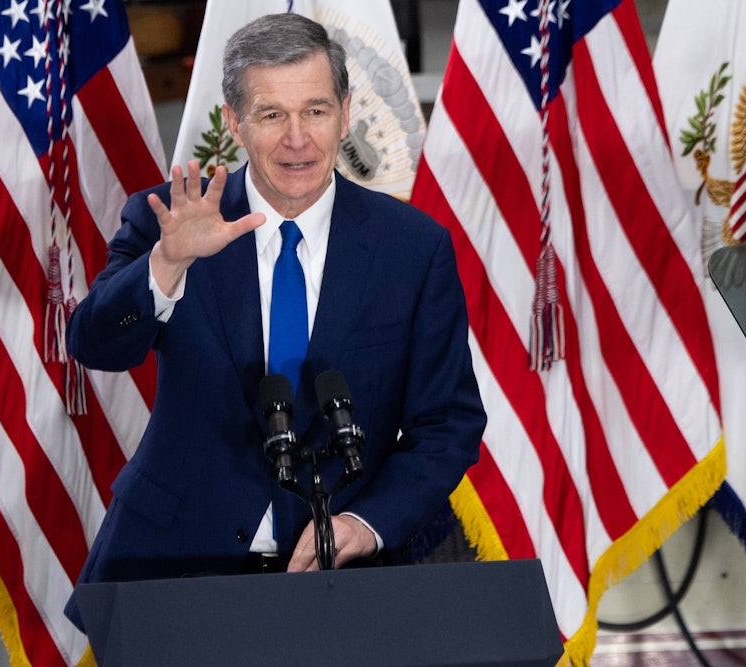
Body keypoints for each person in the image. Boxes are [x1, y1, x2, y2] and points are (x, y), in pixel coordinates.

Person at [63, 12, 486, 629]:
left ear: (344, 112)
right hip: (174, 571)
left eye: (315, 111)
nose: (298, 139)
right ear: (234, 122)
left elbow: (448, 423)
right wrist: (166, 263)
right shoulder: (171, 221)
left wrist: (366, 525)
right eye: (271, 115)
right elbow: (95, 345)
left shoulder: (413, 248)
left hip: (342, 582)